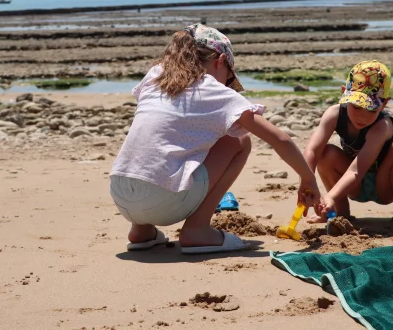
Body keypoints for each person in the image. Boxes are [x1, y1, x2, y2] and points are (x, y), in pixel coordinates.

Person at [110, 24, 320, 254]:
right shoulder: (214, 90)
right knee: (238, 142)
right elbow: (280, 139)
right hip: (161, 200)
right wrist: (307, 178)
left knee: (155, 148)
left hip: (120, 193)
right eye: (228, 78)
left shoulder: (155, 75)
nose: (227, 85)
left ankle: (141, 231)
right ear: (220, 61)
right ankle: (197, 229)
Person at [303, 60, 393, 225]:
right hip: (353, 186)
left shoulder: (382, 126)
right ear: (344, 94)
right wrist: (306, 181)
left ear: (384, 104)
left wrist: (329, 196)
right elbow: (312, 151)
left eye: (372, 109)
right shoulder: (334, 114)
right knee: (326, 152)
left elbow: (357, 169)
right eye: (357, 107)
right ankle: (338, 211)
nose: (363, 116)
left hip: (385, 184)